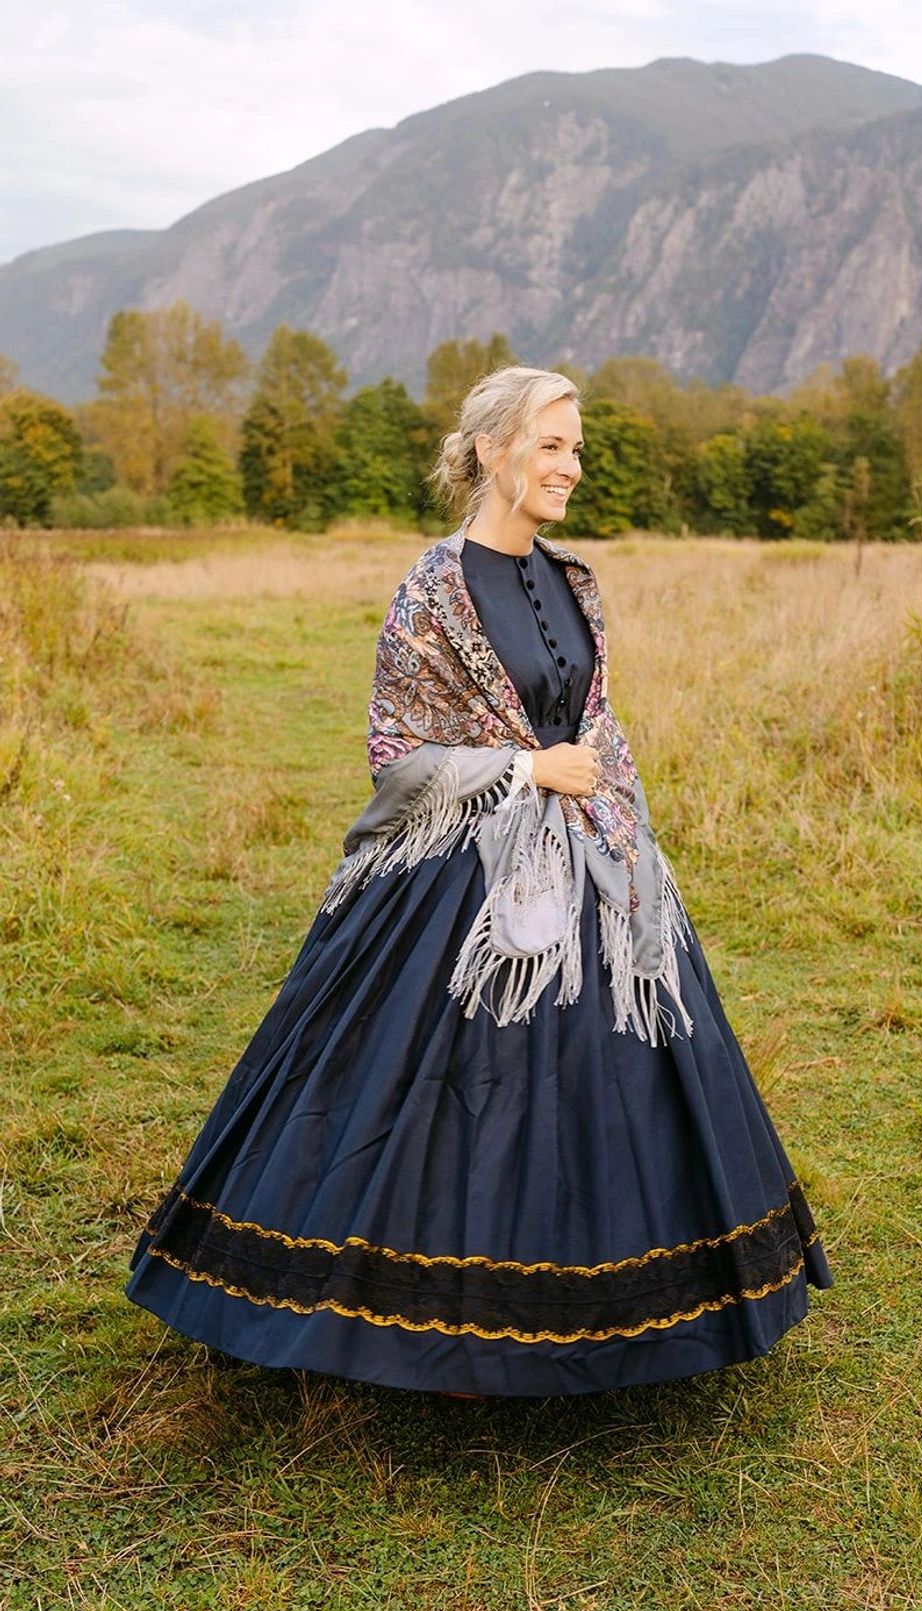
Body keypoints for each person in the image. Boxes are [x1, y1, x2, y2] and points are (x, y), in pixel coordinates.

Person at [124, 364, 834, 1398]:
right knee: (443, 1100)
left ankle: (627, 1323)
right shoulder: (433, 589)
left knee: (624, 1087)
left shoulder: (572, 578)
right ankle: (414, 1330)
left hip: (595, 866)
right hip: (463, 886)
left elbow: (594, 719)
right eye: (552, 445)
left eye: (577, 448)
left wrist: (611, 815)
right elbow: (397, 753)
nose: (571, 466)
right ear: (493, 451)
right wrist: (524, 770)